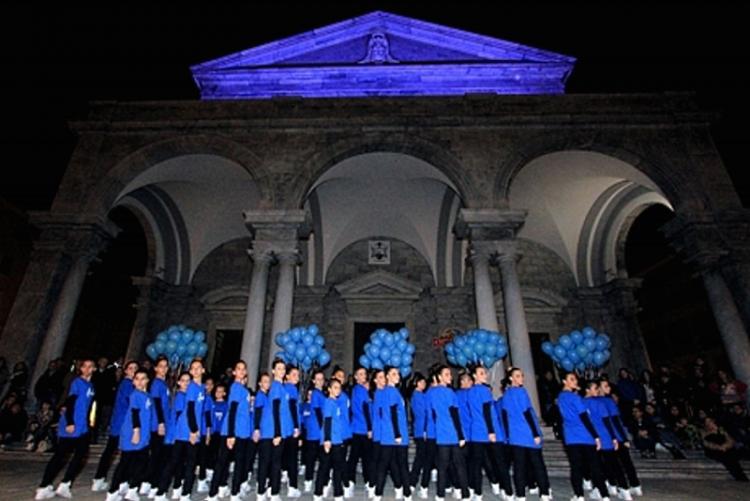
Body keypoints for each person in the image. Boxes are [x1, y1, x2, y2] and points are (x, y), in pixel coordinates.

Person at [35, 358, 95, 500]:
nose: (88, 369)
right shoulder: (77, 383)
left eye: (90, 366)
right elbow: (70, 401)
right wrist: (69, 421)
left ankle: (66, 484)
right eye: (85, 366)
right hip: (72, 423)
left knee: (80, 455)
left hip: (83, 426)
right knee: (60, 455)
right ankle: (44, 485)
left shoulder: (91, 386)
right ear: (81, 369)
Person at [557, 372, 610, 501]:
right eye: (572, 379)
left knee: (576, 467)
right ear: (564, 381)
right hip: (585, 435)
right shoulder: (575, 398)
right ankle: (604, 495)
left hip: (571, 436)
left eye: (575, 379)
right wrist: (596, 436)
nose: (575, 381)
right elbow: (584, 417)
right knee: (595, 466)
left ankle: (579, 495)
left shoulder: (560, 398)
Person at [503, 367, 551, 501]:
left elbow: (505, 415)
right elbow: (527, 412)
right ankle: (545, 492)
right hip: (527, 433)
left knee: (519, 466)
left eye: (522, 375)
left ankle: (520, 494)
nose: (521, 378)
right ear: (511, 378)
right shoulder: (521, 392)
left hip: (515, 435)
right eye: (517, 376)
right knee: (537, 463)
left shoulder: (506, 394)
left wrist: (507, 434)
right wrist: (536, 433)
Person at [207, 360, 252, 501]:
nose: (241, 371)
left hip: (243, 431)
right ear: (234, 372)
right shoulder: (235, 388)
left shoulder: (244, 390)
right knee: (222, 462)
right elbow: (232, 410)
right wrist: (231, 434)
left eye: (243, 369)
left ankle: (234, 493)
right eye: (238, 368)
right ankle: (212, 494)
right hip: (232, 431)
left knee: (239, 463)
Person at [467, 364, 513, 501]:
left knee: (477, 464)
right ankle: (508, 492)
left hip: (477, 431)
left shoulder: (470, 392)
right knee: (499, 463)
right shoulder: (484, 391)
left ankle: (478, 493)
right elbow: (486, 410)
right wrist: (491, 431)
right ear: (474, 376)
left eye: (485, 373)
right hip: (488, 430)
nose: (485, 375)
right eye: (481, 373)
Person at [106, 368, 152, 501]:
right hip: (133, 431)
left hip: (143, 433)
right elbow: (135, 413)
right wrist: (136, 432)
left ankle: (131, 488)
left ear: (147, 380)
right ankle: (113, 491)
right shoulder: (135, 395)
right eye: (137, 379)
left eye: (143, 378)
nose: (139, 381)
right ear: (133, 381)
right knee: (125, 462)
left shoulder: (147, 396)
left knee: (139, 462)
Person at [92, 360, 138, 492]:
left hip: (120, 422)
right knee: (121, 452)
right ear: (126, 371)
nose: (133, 370)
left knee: (111, 451)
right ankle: (119, 481)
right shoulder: (128, 384)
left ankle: (100, 478)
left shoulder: (127, 384)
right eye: (131, 368)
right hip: (123, 423)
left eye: (135, 368)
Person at [584, 379, 632, 500]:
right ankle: (622, 489)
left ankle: (604, 489)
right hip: (604, 437)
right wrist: (615, 437)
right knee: (611, 464)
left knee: (600, 465)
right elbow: (608, 421)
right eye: (596, 388)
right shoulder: (601, 403)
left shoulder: (585, 403)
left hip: (595, 438)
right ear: (588, 390)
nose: (598, 390)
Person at [428, 365, 469, 501]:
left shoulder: (432, 393)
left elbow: (433, 414)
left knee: (443, 466)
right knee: (459, 465)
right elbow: (454, 414)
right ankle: (465, 494)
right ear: (439, 377)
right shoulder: (450, 393)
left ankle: (440, 495)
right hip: (453, 432)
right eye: (446, 374)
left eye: (450, 374)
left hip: (441, 432)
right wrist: (461, 435)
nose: (450, 377)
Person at [256, 360, 293, 501]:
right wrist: (277, 432)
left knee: (274, 461)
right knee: (268, 462)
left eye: (283, 368)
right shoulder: (276, 387)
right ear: (273, 371)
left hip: (278, 429)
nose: (282, 371)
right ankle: (264, 493)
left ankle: (271, 490)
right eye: (278, 368)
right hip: (271, 430)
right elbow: (275, 409)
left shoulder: (281, 387)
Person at [599, 378, 643, 497]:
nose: (608, 388)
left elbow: (615, 420)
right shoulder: (606, 401)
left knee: (620, 463)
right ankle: (632, 486)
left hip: (613, 436)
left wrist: (623, 438)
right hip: (613, 436)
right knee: (622, 462)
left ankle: (626, 486)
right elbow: (614, 420)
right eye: (605, 386)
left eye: (608, 386)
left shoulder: (607, 401)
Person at [374, 366, 411, 501]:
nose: (398, 376)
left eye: (398, 374)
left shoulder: (389, 391)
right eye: (394, 374)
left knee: (388, 464)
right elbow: (393, 412)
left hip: (391, 433)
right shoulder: (391, 391)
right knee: (400, 465)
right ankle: (406, 494)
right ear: (388, 376)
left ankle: (380, 494)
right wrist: (397, 434)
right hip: (394, 434)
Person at [154, 371, 190, 501]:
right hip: (177, 434)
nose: (186, 383)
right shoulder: (181, 396)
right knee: (172, 463)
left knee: (180, 462)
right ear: (179, 382)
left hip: (182, 435)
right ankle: (161, 492)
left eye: (188, 381)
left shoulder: (186, 396)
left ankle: (176, 488)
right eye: (183, 380)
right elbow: (179, 417)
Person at [140, 355, 170, 496]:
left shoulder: (164, 384)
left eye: (165, 366)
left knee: (158, 455)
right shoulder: (157, 383)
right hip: (157, 424)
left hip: (162, 422)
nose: (163, 369)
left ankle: (149, 483)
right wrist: (161, 422)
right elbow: (157, 403)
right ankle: (149, 482)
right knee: (156, 455)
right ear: (156, 368)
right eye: (161, 366)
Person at [313, 378, 347, 501]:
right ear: (329, 389)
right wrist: (327, 440)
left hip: (337, 439)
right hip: (329, 440)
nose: (338, 390)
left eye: (339, 387)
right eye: (335, 387)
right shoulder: (328, 402)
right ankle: (317, 493)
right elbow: (327, 421)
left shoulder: (336, 403)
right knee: (324, 468)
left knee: (338, 468)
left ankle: (338, 494)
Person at [346, 367, 373, 491]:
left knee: (355, 456)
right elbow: (365, 408)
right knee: (366, 457)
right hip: (362, 428)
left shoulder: (356, 389)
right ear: (356, 377)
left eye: (364, 374)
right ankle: (368, 481)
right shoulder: (361, 390)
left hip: (356, 427)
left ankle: (350, 481)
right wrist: (369, 427)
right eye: (360, 374)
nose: (363, 376)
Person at [702, 416, 749, 481]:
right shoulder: (704, 432)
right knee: (728, 458)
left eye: (710, 421)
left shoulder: (721, 430)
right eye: (707, 422)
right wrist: (719, 447)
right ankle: (740, 476)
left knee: (740, 451)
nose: (709, 423)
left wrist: (725, 446)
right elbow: (707, 444)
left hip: (726, 448)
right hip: (714, 451)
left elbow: (730, 440)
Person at [407, 373, 429, 498]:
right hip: (422, 429)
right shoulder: (419, 396)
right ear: (417, 383)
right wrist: (426, 429)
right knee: (421, 458)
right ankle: (413, 481)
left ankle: (413, 482)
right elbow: (424, 413)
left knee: (421, 457)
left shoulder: (417, 395)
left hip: (420, 429)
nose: (424, 384)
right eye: (422, 382)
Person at [281, 365, 302, 498]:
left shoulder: (283, 389)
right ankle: (293, 486)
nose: (297, 377)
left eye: (298, 375)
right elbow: (292, 407)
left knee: (285, 455)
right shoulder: (292, 389)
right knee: (293, 457)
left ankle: (284, 474)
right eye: (293, 374)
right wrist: (296, 426)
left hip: (284, 427)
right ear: (287, 376)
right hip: (291, 427)